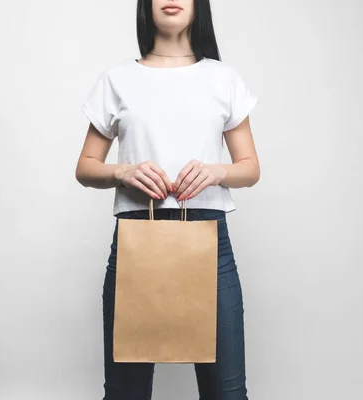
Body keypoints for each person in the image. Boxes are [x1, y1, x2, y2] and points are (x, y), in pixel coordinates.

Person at [76, 0, 259, 398]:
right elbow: (85, 166)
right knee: (126, 392)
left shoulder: (222, 77)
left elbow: (250, 167)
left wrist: (217, 170)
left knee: (227, 393)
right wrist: (121, 171)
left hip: (210, 244)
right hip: (136, 241)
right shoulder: (117, 78)